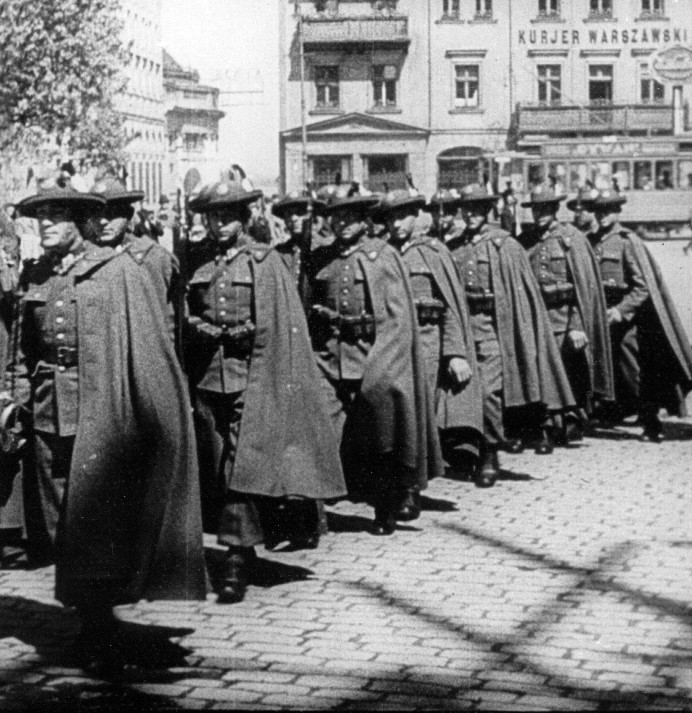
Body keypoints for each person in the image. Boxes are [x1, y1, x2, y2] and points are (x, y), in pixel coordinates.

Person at [5, 178, 206, 666]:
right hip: (49, 414)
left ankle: (95, 624)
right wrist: (15, 397)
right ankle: (91, 614)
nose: (45, 225)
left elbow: (147, 346)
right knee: (57, 519)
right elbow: (21, 348)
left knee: (93, 520)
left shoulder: (117, 272)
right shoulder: (38, 273)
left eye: (56, 216)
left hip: (102, 413)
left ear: (79, 223)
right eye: (41, 217)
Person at [184, 180, 345, 603]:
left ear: (244, 218)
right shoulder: (197, 260)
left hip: (252, 377)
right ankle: (244, 543)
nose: (220, 224)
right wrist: (197, 327)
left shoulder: (264, 261)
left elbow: (280, 324)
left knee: (242, 464)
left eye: (228, 216)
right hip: (208, 378)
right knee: (217, 464)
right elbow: (184, 312)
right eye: (213, 216)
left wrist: (252, 338)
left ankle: (236, 558)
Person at [307, 191, 443, 535]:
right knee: (321, 432)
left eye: (349, 216)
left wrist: (383, 364)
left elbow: (397, 319)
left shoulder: (382, 256)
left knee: (379, 437)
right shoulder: (322, 257)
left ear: (363, 219)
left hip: (370, 357)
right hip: (328, 359)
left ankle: (385, 505)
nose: (341, 223)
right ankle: (315, 513)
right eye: (336, 217)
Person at [446, 184, 575, 481]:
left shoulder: (505, 245)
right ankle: (465, 448)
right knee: (462, 391)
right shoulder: (454, 247)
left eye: (477, 208)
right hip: (463, 328)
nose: (471, 214)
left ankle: (490, 451)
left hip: (494, 328)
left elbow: (521, 297)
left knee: (488, 392)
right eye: (467, 209)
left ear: (487, 210)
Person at [378, 190, 484, 486]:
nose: (396, 224)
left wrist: (455, 352)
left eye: (403, 217)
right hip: (390, 344)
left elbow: (449, 306)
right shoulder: (381, 254)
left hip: (427, 343)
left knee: (420, 413)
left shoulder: (433, 252)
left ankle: (412, 485)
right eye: (390, 218)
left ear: (416, 216)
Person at [586, 190, 692, 440]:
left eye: (608, 210)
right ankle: (612, 409)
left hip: (626, 318)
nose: (603, 216)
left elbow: (643, 286)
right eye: (599, 211)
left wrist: (621, 311)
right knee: (601, 365)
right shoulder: (591, 241)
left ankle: (650, 420)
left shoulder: (627, 241)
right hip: (600, 314)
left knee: (633, 370)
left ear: (617, 212)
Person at [517, 186, 614, 445]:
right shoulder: (525, 241)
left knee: (567, 373)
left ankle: (567, 421)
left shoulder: (572, 238)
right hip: (536, 320)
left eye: (545, 208)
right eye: (536, 209)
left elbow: (584, 290)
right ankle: (547, 426)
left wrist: (577, 325)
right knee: (542, 374)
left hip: (563, 318)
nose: (539, 213)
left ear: (555, 209)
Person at [90, 177, 179, 341]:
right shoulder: (84, 260)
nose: (103, 221)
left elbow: (172, 317)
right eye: (96, 214)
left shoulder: (152, 257)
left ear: (127, 214)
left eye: (111, 214)